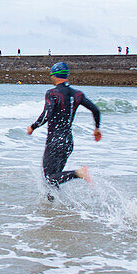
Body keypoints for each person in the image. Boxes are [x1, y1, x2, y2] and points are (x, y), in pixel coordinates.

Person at [26, 62, 102, 191]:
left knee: (49, 179)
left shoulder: (52, 93)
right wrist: (96, 128)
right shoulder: (77, 94)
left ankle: (78, 173)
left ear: (54, 76)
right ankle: (54, 209)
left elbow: (47, 114)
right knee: (54, 179)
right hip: (68, 141)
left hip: (55, 141)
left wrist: (33, 127)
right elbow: (95, 110)